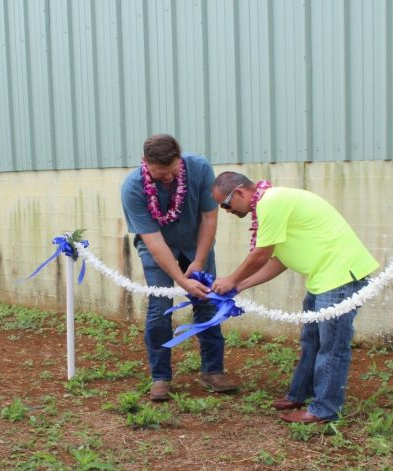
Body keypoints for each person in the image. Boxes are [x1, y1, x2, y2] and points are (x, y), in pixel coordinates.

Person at [210, 172, 378, 423]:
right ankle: (301, 393)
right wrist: (240, 286)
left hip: (340, 276)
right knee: (311, 339)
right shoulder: (269, 206)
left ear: (241, 193)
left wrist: (231, 280)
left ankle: (325, 409)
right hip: (325, 277)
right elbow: (279, 260)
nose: (226, 211)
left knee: (331, 346)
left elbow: (261, 254)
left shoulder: (271, 202)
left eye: (225, 204)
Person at [120, 134, 240, 401]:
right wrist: (181, 280)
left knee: (208, 302)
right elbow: (153, 241)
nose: (168, 178)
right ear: (145, 163)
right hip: (158, 249)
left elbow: (209, 216)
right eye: (160, 174)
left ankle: (213, 370)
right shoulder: (132, 188)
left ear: (180, 159)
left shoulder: (199, 168)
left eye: (173, 172)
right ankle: (160, 377)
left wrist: (198, 262)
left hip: (196, 242)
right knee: (160, 306)